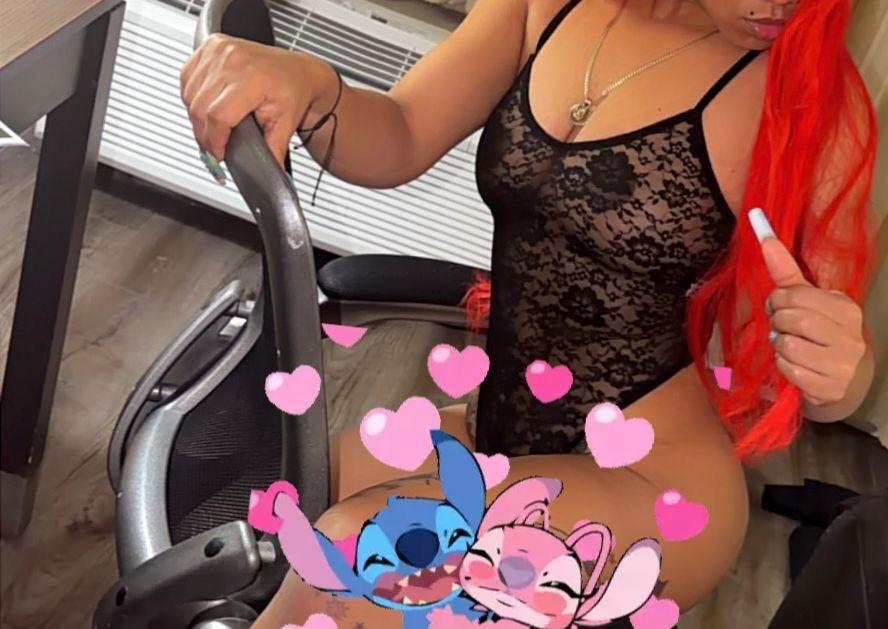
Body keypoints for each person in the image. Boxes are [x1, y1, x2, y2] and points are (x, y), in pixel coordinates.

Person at [180, 0, 878, 626]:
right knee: (255, 506)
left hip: (652, 480)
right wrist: (315, 87)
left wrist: (842, 375)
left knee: (347, 561)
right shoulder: (541, 6)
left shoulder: (807, 94)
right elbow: (403, 131)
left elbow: (834, 361)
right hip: (494, 432)